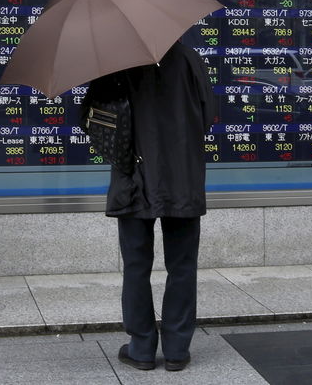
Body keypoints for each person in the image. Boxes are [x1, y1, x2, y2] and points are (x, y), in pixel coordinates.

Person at [83, 40, 216, 372]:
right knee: (182, 266)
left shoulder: (113, 61)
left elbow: (91, 118)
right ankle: (177, 349)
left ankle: (141, 347)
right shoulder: (189, 57)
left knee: (136, 265)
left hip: (133, 178)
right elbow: (208, 115)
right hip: (182, 177)